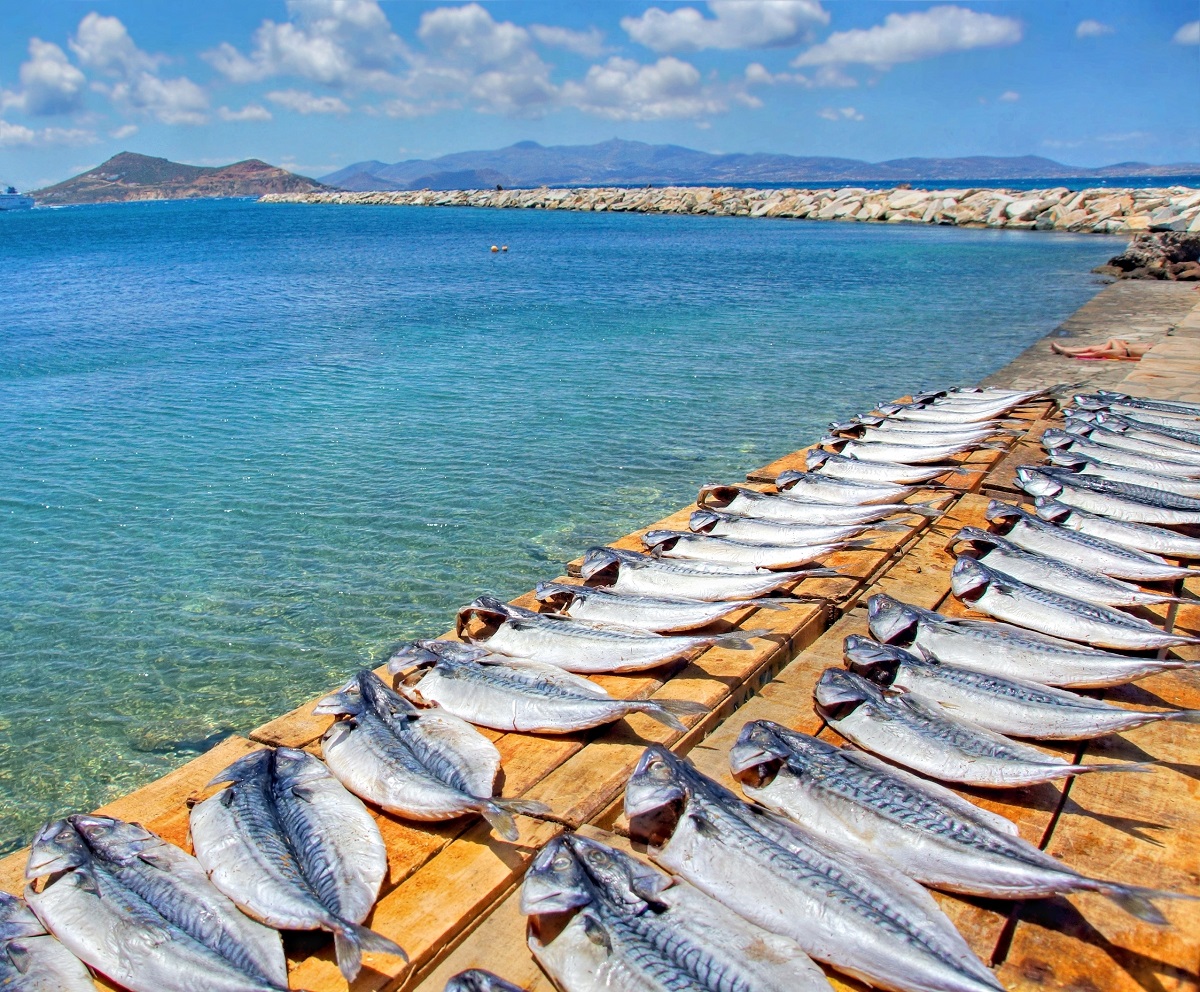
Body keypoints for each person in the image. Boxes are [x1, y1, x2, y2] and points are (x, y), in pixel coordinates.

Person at [1049, 338, 1151, 360]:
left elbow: (1140, 359)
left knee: (1097, 352)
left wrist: (1125, 358)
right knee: (1091, 348)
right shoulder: (1153, 349)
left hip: (1124, 352)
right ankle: (1063, 349)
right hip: (1124, 349)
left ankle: (1072, 354)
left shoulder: (1152, 354)